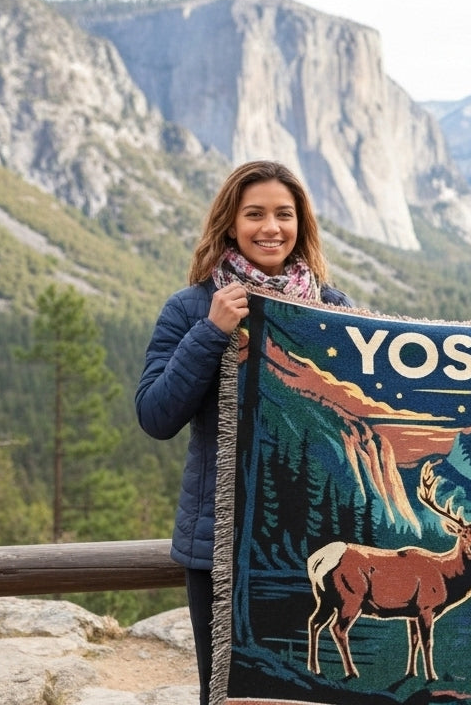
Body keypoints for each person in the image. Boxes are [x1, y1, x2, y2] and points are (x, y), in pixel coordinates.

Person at [135, 160, 352, 704]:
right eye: (254, 214)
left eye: (284, 214)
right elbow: (155, 416)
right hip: (221, 548)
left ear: (301, 224)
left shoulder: (333, 308)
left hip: (318, 546)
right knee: (232, 694)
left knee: (320, 692)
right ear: (230, 224)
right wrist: (212, 332)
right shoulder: (191, 309)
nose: (270, 228)